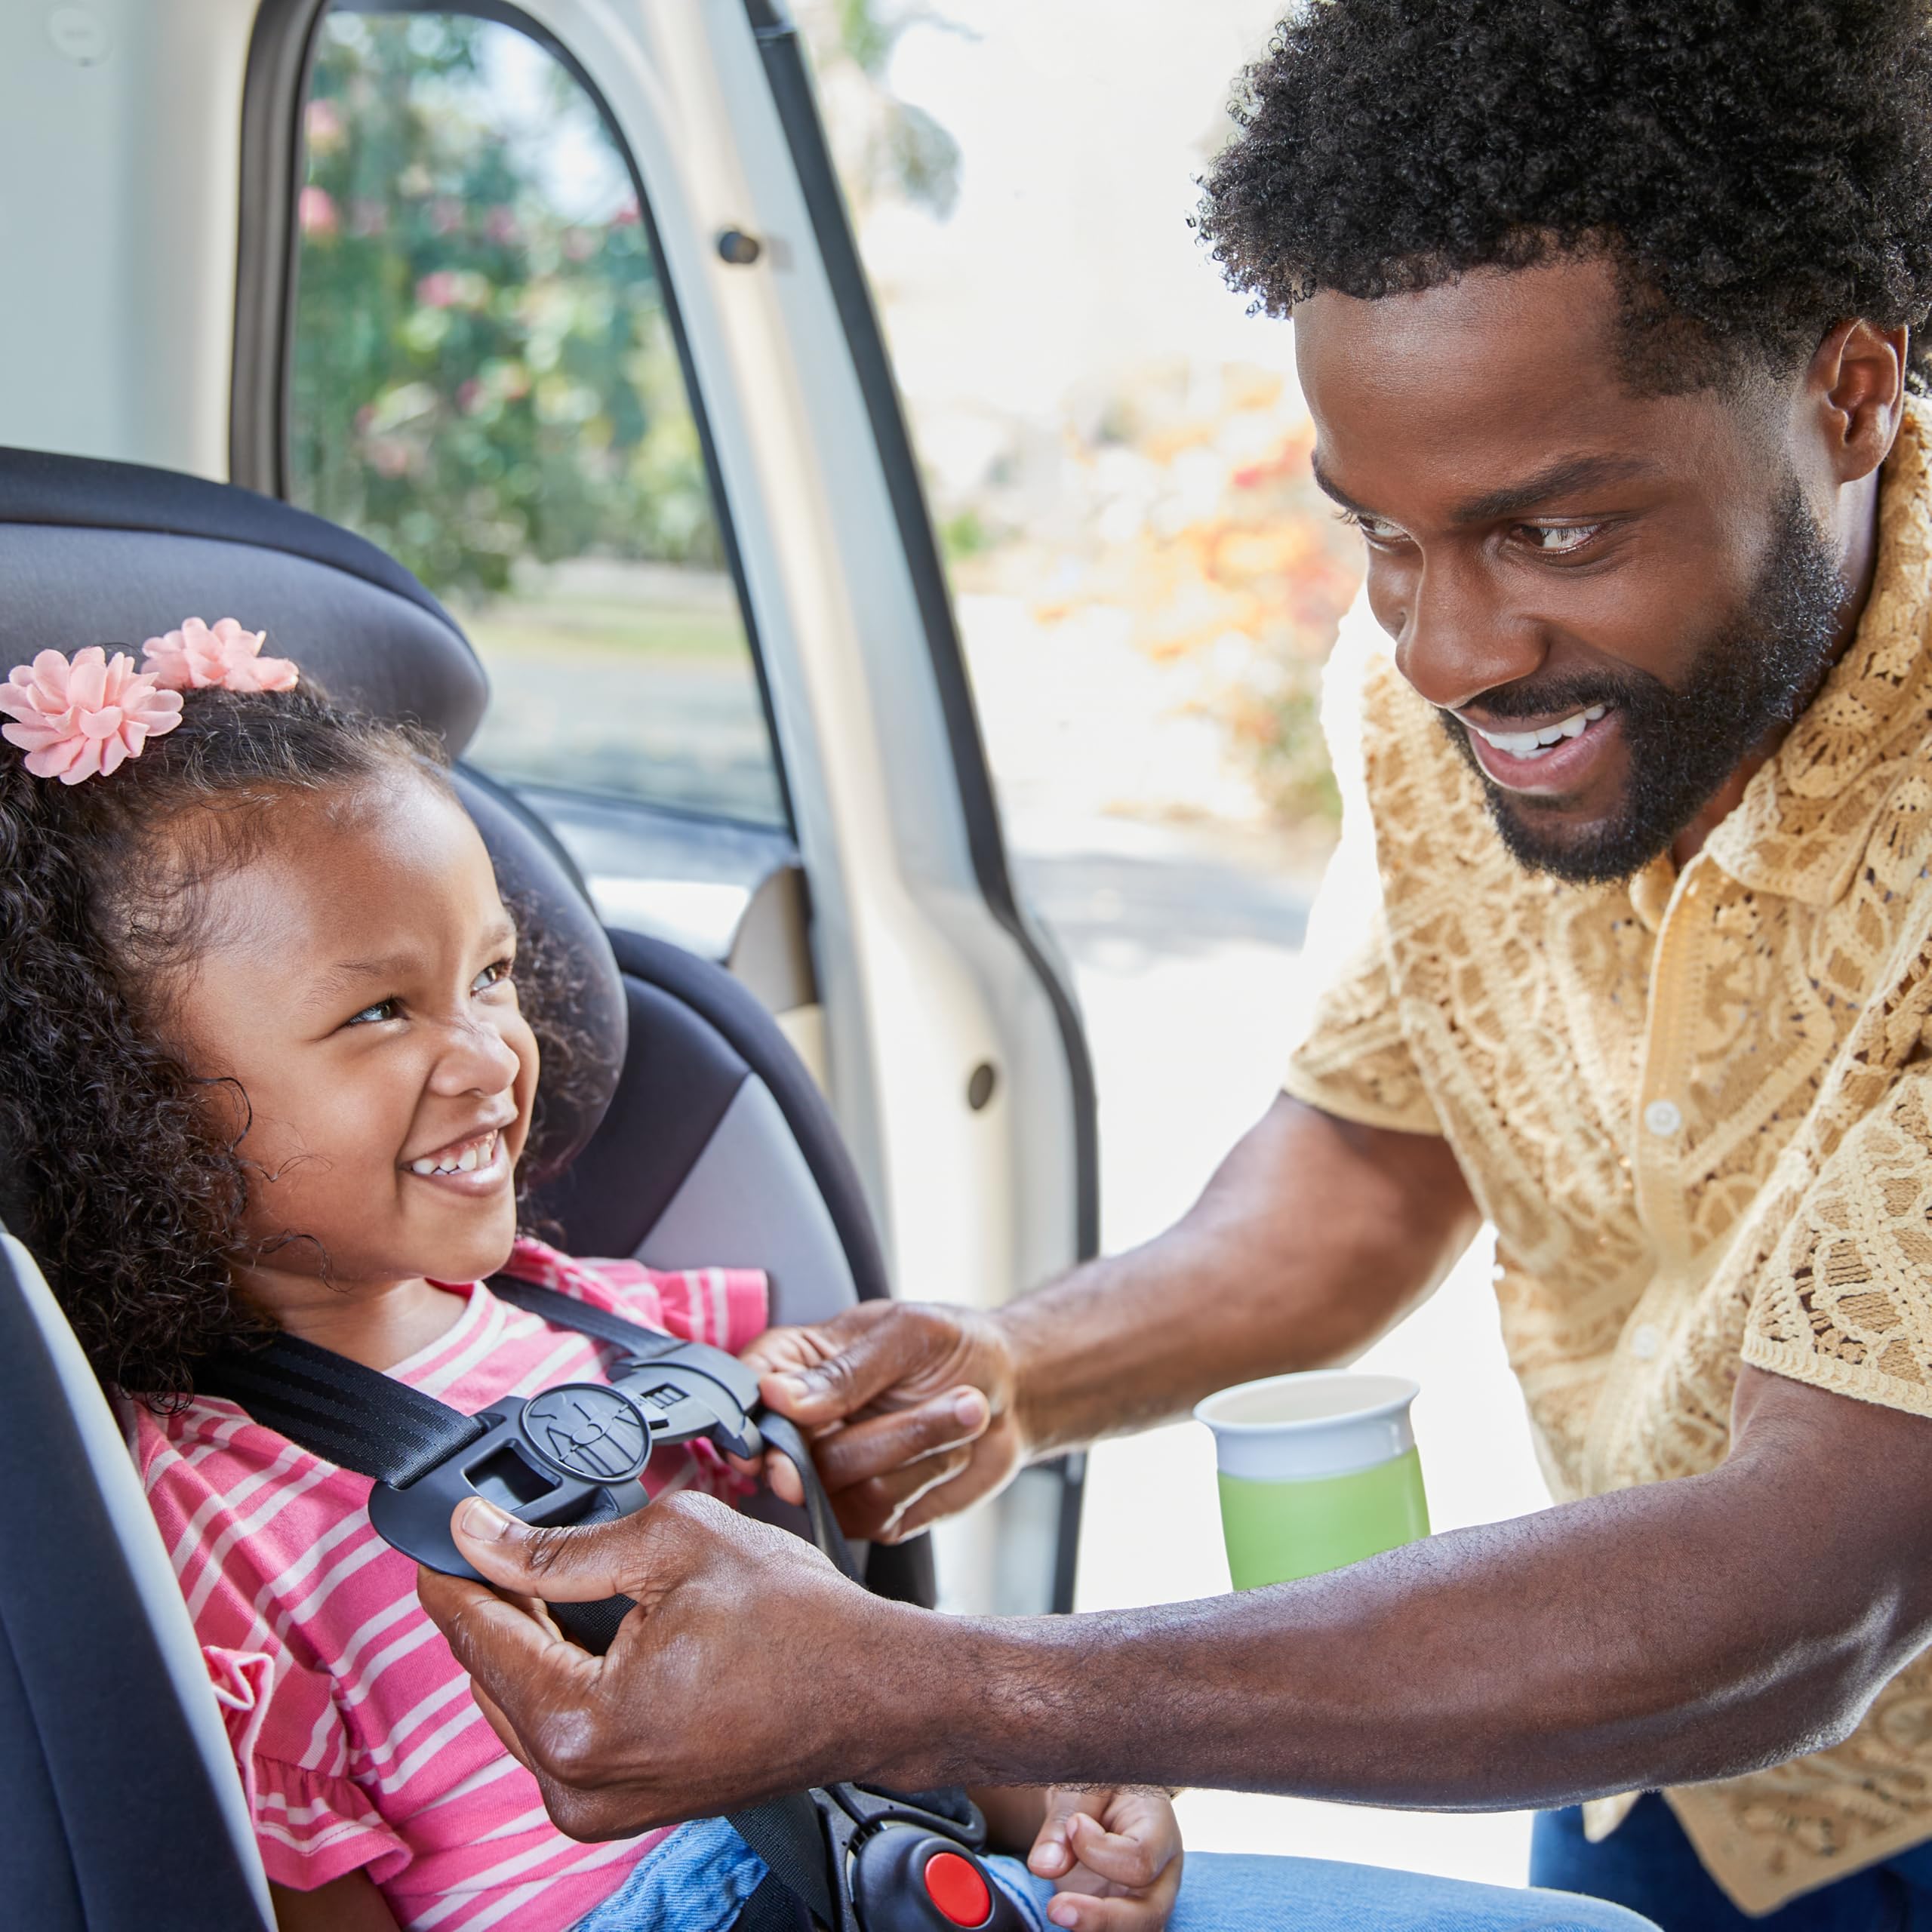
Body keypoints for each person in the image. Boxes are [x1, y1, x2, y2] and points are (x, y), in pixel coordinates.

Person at [414, 2, 1932, 1928]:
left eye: (1551, 527)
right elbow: (1376, 1161)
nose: (1443, 651)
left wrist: (930, 1684)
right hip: (1660, 1759)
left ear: (1850, 392)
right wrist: (1012, 1369)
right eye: (1379, 532)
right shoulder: (1443, 710)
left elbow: (1810, 1582)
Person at [0, 626, 1199, 1932]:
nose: (490, 1056)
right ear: (139, 1106)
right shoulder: (204, 1529)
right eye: (379, 1013)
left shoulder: (623, 1329)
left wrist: (1063, 1800)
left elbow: (862, 1676)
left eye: (494, 975)